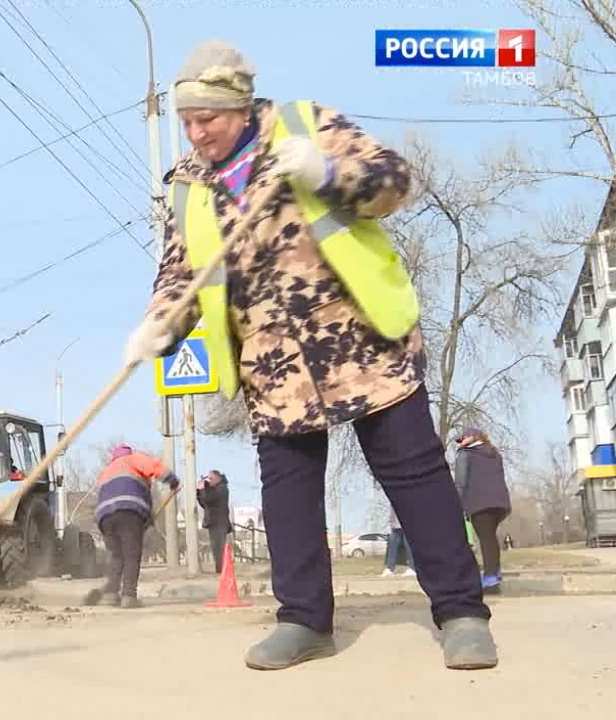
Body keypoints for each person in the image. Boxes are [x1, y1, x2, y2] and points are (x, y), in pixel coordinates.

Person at [123, 39, 496, 670]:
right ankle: (303, 621)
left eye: (206, 117)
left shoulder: (304, 126)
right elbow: (178, 273)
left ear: (239, 107)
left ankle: (461, 612)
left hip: (359, 335)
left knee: (414, 475)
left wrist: (325, 173)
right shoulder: (187, 186)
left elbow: (393, 181)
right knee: (288, 492)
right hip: (271, 360)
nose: (195, 131)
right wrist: (160, 324)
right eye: (186, 120)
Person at [82, 444, 180, 609]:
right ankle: (129, 596)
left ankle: (111, 594)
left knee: (116, 556)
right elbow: (155, 468)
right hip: (128, 511)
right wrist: (172, 480)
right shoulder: (133, 459)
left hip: (105, 517)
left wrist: (147, 518)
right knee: (131, 555)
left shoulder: (107, 470)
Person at [453, 427, 512, 594]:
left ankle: (491, 580)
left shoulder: (465, 455)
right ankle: (495, 573)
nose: (460, 443)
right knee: (490, 537)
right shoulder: (494, 453)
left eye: (462, 439)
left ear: (472, 437)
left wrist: (458, 504)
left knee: (486, 539)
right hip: (500, 503)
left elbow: (461, 482)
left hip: (479, 502)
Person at [197, 470, 233, 573]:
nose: (209, 481)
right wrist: (199, 492)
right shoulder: (213, 489)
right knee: (215, 549)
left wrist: (204, 489)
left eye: (211, 478)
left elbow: (209, 499)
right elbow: (205, 504)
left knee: (219, 549)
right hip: (213, 523)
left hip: (219, 523)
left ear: (218, 479)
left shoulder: (222, 489)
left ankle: (222, 571)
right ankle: (220, 570)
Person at [382, 507, 417, 577]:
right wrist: (391, 523)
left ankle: (412, 568)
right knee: (392, 546)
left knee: (408, 546)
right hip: (395, 525)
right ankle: (389, 568)